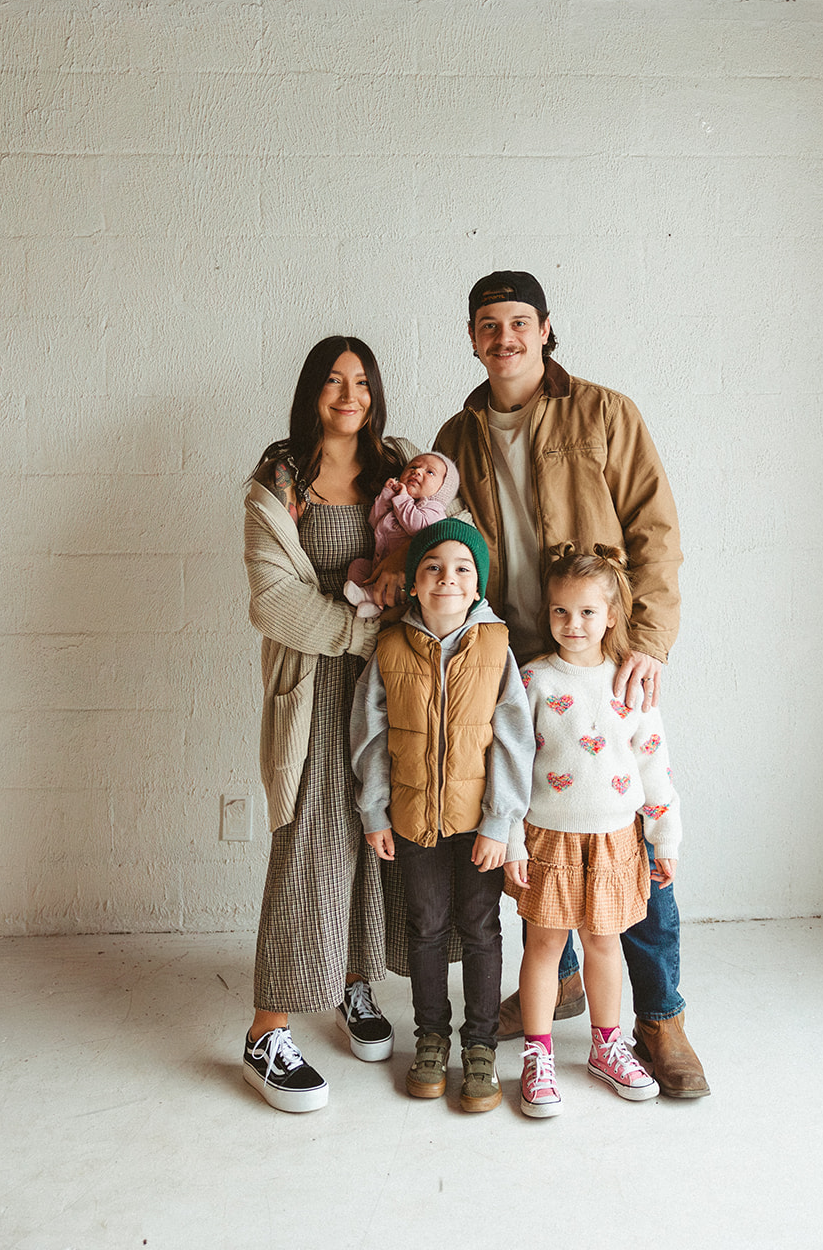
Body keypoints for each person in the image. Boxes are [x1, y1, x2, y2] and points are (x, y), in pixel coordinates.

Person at [431, 269, 709, 1099]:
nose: (504, 339)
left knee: (626, 823)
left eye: (519, 323)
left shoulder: (604, 413)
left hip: (603, 651)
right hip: (512, 662)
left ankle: (659, 1017)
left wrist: (648, 638)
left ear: (546, 329)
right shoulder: (459, 431)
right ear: (472, 337)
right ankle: (556, 979)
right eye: (488, 325)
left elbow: (654, 531)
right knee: (521, 823)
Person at [241, 335, 424, 1113]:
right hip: (317, 686)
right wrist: (362, 633)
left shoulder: (404, 466)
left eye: (361, 381)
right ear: (312, 391)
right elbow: (273, 601)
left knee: (379, 836)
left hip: (392, 684)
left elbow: (450, 546)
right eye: (333, 381)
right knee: (311, 839)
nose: (348, 394)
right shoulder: (276, 480)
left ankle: (356, 984)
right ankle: (265, 1032)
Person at [350, 518, 534, 1114]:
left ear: (477, 583)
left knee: (481, 930)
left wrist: (501, 824)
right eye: (432, 567)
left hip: (480, 827)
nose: (446, 579)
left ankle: (480, 1045)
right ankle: (431, 1038)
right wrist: (374, 811)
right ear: (412, 582)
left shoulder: (497, 645)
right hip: (411, 821)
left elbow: (513, 741)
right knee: (425, 929)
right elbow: (370, 738)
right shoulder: (390, 646)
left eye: (462, 568)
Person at [504, 546, 682, 1117]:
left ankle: (608, 1045)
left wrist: (665, 839)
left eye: (585, 612)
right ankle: (538, 1054)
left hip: (615, 839)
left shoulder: (629, 680)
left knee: (604, 944)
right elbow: (506, 769)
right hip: (547, 839)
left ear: (611, 615)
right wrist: (510, 842)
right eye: (559, 612)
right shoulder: (529, 679)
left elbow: (653, 763)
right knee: (545, 946)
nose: (571, 624)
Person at [344, 451, 459, 618]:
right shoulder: (398, 501)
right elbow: (375, 519)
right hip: (380, 563)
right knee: (358, 566)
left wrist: (402, 497)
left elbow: (416, 527)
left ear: (441, 489)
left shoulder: (434, 509)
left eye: (430, 472)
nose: (417, 472)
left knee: (398, 585)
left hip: (407, 574)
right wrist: (387, 495)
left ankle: (365, 596)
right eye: (413, 467)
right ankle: (373, 606)